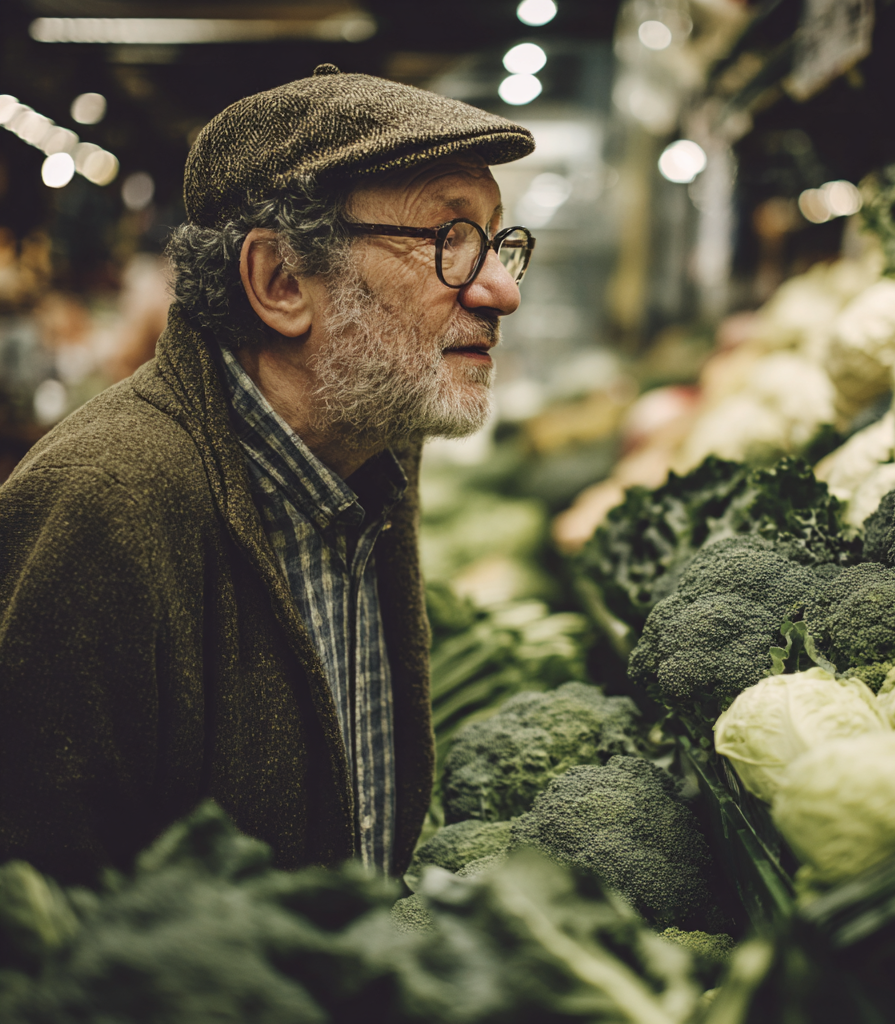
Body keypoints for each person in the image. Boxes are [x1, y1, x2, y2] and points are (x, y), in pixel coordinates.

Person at [0, 65, 535, 884]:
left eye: (497, 242)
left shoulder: (371, 457)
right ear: (281, 283)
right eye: (448, 242)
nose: (500, 289)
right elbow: (41, 933)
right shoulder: (102, 508)